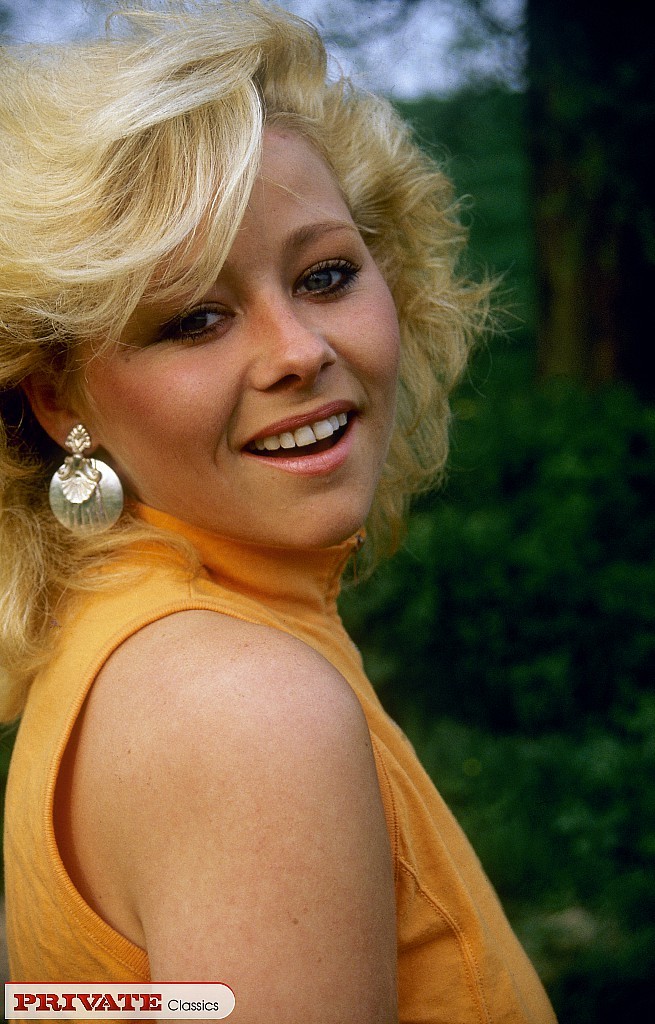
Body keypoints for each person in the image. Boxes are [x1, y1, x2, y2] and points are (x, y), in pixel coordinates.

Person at [0, 2, 557, 1020]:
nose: (299, 350)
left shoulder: (130, 634)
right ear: (57, 397)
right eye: (194, 320)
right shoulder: (240, 710)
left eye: (326, 274)